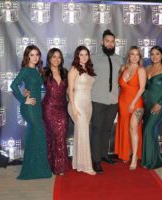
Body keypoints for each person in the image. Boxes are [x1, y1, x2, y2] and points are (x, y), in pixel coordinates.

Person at [10, 45, 52, 180]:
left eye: (37, 55)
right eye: (32, 55)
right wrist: (23, 99)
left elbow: (34, 87)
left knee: (35, 137)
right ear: (27, 56)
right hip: (30, 108)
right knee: (39, 135)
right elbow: (13, 85)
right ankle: (33, 169)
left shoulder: (36, 70)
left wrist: (27, 92)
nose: (35, 57)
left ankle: (35, 167)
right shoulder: (26, 70)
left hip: (37, 107)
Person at [91, 29, 124, 173]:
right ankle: (96, 160)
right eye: (107, 41)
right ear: (101, 42)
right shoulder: (93, 58)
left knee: (107, 129)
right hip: (97, 100)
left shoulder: (119, 59)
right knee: (97, 130)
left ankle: (104, 155)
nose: (110, 44)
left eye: (112, 42)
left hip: (113, 101)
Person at [115, 46, 146, 170]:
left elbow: (142, 88)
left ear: (139, 57)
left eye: (137, 54)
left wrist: (133, 103)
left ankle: (134, 157)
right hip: (122, 102)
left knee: (133, 128)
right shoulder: (124, 68)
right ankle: (126, 153)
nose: (134, 57)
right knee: (125, 127)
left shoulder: (141, 70)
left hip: (136, 102)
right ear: (129, 56)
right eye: (132, 54)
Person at [141, 45, 162, 169]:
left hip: (159, 105)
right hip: (147, 104)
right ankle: (155, 159)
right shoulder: (147, 68)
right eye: (152, 54)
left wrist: (159, 103)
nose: (154, 56)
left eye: (157, 54)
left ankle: (149, 161)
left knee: (148, 129)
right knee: (151, 131)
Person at [67, 45, 96, 175]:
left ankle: (78, 163)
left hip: (87, 105)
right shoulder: (74, 70)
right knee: (83, 133)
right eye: (81, 54)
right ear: (77, 56)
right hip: (77, 104)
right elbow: (70, 90)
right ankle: (86, 166)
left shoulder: (88, 69)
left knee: (82, 133)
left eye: (86, 54)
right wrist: (73, 107)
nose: (84, 57)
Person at [41, 48, 69, 176]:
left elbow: (69, 90)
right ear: (49, 59)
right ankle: (51, 165)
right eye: (54, 57)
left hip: (62, 108)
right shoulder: (44, 72)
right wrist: (26, 93)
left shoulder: (65, 72)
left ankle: (60, 166)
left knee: (61, 136)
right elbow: (33, 85)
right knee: (52, 137)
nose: (56, 59)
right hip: (49, 108)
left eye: (59, 57)